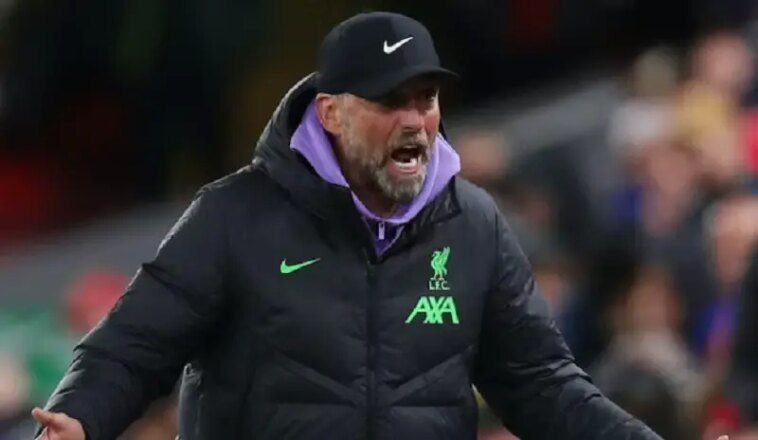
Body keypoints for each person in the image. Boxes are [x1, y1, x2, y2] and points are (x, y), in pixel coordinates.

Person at [33, 12, 661, 440]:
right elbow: (132, 346)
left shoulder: (473, 224)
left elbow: (541, 383)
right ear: (331, 113)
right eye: (390, 101)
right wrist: (80, 418)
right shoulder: (234, 216)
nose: (414, 120)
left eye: (425, 98)